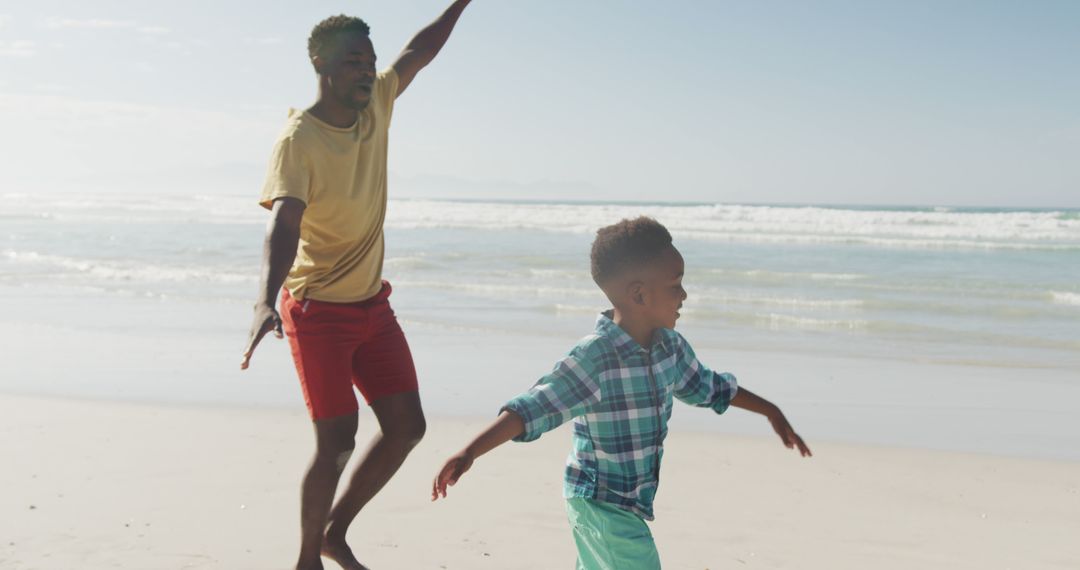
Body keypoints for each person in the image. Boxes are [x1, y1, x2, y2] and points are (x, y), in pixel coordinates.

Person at [432, 216, 812, 569]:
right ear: (639, 294)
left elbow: (709, 387)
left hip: (625, 504)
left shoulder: (671, 349)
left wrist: (770, 410)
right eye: (675, 283)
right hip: (599, 502)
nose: (684, 294)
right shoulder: (596, 358)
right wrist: (470, 451)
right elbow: (532, 409)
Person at [240, 3, 472, 569]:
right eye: (353, 61)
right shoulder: (299, 139)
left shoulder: (377, 107)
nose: (367, 71)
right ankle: (306, 559)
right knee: (337, 442)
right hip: (317, 311)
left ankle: (334, 532)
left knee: (406, 427)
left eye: (369, 61)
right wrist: (263, 301)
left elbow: (419, 52)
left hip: (373, 306)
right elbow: (284, 221)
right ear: (321, 64)